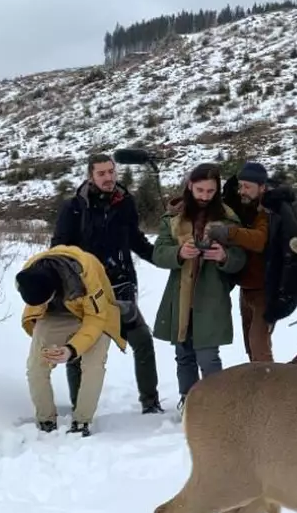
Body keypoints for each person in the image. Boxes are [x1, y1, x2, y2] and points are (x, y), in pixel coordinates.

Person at [51, 152, 162, 414]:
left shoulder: (126, 203)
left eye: (111, 172)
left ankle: (150, 403)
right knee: (79, 349)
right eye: (101, 173)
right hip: (85, 290)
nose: (108, 177)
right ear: (91, 176)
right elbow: (59, 248)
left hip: (120, 288)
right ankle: (81, 407)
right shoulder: (74, 207)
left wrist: (167, 257)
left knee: (143, 341)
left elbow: (136, 240)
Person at [152, 163, 246, 408]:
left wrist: (223, 257)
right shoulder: (174, 217)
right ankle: (189, 400)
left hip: (211, 298)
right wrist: (180, 252)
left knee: (208, 356)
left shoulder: (228, 219)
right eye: (200, 190)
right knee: (183, 354)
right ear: (190, 186)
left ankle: (215, 405)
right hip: (180, 296)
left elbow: (241, 259)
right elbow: (159, 253)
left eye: (210, 191)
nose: (205, 196)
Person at [16, 244, 126, 436]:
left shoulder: (85, 272)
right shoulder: (29, 271)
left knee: (94, 366)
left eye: (43, 300)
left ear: (53, 291)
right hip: (55, 315)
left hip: (95, 314)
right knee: (36, 366)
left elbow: (96, 318)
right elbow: (36, 308)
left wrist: (71, 349)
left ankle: (82, 421)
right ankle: (45, 420)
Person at [216, 161, 297, 362]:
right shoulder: (243, 206)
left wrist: (229, 233)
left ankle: (269, 389)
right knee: (250, 345)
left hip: (265, 291)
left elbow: (258, 240)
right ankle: (258, 387)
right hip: (245, 288)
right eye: (241, 186)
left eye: (247, 187)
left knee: (259, 345)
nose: (242, 191)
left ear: (262, 187)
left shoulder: (269, 211)